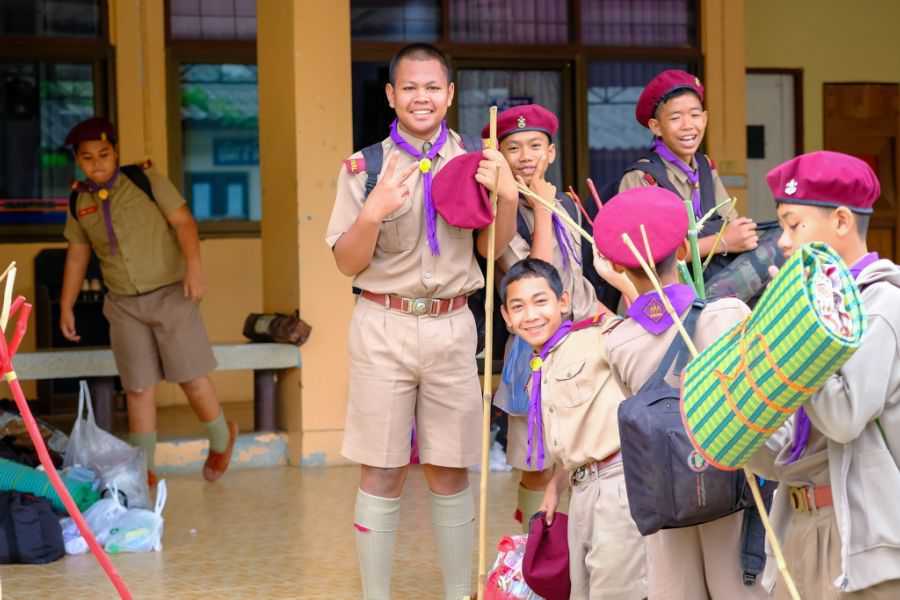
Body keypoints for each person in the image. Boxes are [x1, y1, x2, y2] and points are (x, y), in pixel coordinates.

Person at [324, 43, 517, 600]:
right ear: (391, 95)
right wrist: (373, 211)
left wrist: (505, 197)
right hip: (382, 324)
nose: (421, 97)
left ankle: (459, 593)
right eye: (409, 87)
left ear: (450, 94)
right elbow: (346, 263)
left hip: (452, 326)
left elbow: (491, 251)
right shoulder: (365, 168)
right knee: (381, 469)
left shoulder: (477, 162)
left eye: (432, 87)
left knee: (449, 468)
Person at [597, 186, 767, 599]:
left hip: (668, 496)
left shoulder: (618, 343)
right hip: (732, 490)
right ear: (683, 250)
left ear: (616, 265)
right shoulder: (728, 315)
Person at [747, 151, 900, 599]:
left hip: (866, 545)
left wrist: (795, 334)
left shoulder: (881, 305)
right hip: (798, 530)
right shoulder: (816, 311)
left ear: (841, 221)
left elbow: (842, 418)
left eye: (794, 225)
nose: (783, 241)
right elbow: (785, 455)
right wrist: (739, 422)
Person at [60, 117, 237, 484]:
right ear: (78, 161)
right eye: (88, 158)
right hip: (123, 304)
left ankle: (222, 438)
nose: (97, 164)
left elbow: (184, 222)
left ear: (115, 152)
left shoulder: (144, 180)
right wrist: (66, 304)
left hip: (172, 293)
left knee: (190, 377)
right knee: (138, 387)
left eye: (104, 154)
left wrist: (195, 268)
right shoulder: (79, 200)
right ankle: (145, 469)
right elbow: (77, 255)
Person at [485, 103, 604, 532]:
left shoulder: (567, 205)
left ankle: (574, 549)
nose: (525, 156)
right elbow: (536, 280)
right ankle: (535, 548)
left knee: (584, 455)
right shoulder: (499, 213)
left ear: (551, 153)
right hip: (534, 351)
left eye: (535, 145)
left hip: (581, 343)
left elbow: (577, 280)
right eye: (513, 147)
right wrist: (540, 210)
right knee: (537, 464)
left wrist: (609, 318)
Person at [498, 257, 644, 599]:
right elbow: (576, 433)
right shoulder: (541, 365)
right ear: (506, 317)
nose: (530, 315)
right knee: (582, 591)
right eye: (518, 307)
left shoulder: (594, 337)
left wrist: (620, 282)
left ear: (563, 301)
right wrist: (555, 486)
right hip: (581, 491)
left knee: (615, 591)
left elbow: (648, 328)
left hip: (617, 486)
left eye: (540, 301)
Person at [619, 69, 758, 265]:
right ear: (656, 126)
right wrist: (720, 242)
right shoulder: (642, 178)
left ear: (705, 119)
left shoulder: (705, 168)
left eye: (694, 115)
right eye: (675, 118)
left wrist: (742, 235)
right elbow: (641, 257)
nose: (688, 125)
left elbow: (731, 224)